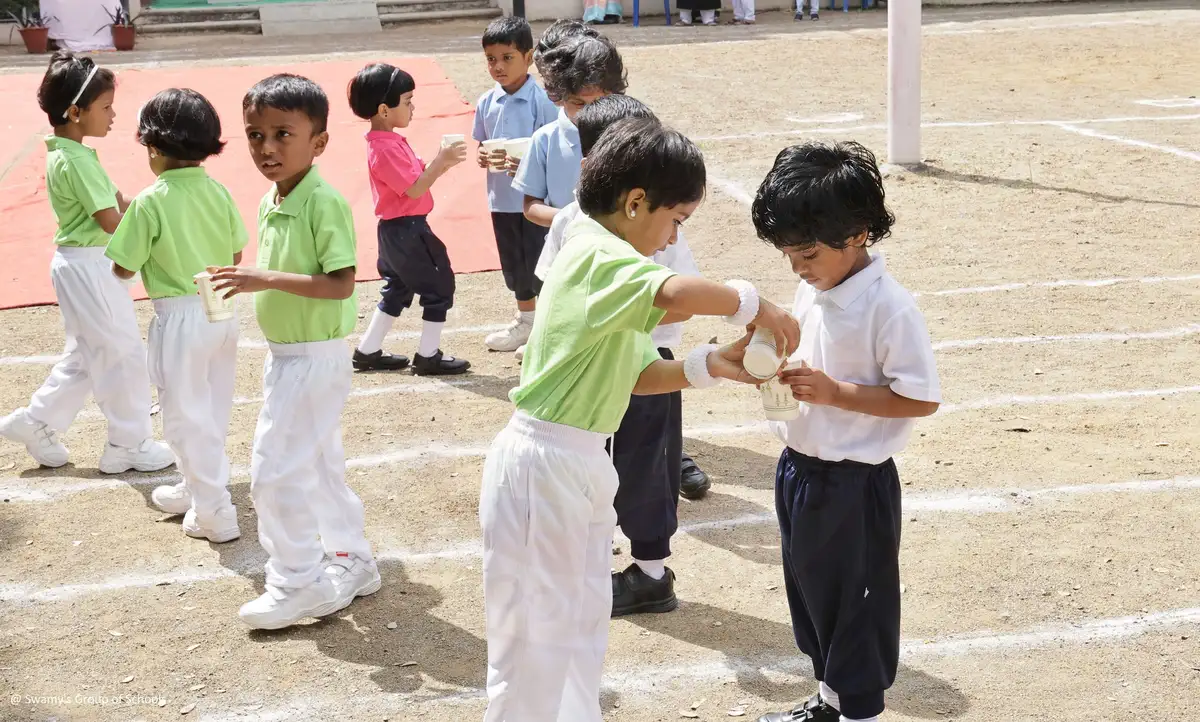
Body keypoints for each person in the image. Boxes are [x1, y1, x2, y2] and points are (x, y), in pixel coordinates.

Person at [479, 117, 800, 722]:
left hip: (577, 461)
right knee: (535, 637)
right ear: (634, 203)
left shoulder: (611, 266)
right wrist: (759, 306)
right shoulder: (597, 254)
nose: (672, 238)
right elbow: (676, 294)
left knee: (580, 617)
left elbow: (635, 375)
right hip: (542, 463)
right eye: (675, 221)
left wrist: (711, 364)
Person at [751, 141, 941, 722]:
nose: (797, 269)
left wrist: (834, 393)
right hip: (801, 470)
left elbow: (920, 398)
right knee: (813, 599)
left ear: (857, 233)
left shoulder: (889, 308)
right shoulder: (815, 286)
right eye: (788, 256)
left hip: (854, 484)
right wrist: (767, 367)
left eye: (806, 253)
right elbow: (797, 347)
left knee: (855, 607)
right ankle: (830, 700)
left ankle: (858, 709)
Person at [211, 74, 379, 629]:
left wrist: (265, 278)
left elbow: (340, 283)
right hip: (289, 356)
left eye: (283, 134)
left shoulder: (323, 203)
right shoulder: (271, 199)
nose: (267, 148)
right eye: (255, 135)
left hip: (314, 356)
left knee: (274, 471)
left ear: (319, 142)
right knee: (318, 462)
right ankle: (351, 556)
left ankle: (295, 579)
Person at [532, 95, 701, 616]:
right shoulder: (575, 224)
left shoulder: (659, 220)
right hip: (593, 378)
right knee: (597, 469)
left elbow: (680, 297)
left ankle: (651, 572)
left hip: (653, 362)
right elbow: (554, 294)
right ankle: (593, 554)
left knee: (649, 466)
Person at [0, 52, 174, 476]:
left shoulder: (71, 154)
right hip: (90, 265)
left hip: (79, 265)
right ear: (76, 112)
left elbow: (119, 203)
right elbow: (111, 220)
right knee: (122, 354)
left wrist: (164, 211)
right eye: (106, 107)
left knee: (88, 353)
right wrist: (157, 237)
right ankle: (129, 443)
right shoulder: (76, 160)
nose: (114, 116)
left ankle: (36, 421)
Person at [105, 88, 245, 543]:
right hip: (221, 305)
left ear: (154, 147)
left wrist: (135, 225)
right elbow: (237, 249)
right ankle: (196, 486)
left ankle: (214, 510)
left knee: (183, 415)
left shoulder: (150, 200)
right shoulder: (218, 190)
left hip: (180, 313)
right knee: (213, 406)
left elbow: (122, 267)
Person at [510, 32, 627, 361]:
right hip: (565, 256)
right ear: (559, 96)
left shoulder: (628, 135)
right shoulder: (546, 139)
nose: (589, 114)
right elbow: (530, 205)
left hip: (618, 252)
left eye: (598, 102)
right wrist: (572, 219)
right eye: (578, 103)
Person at [347, 63, 471, 375]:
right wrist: (441, 161)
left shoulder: (385, 143)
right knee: (438, 285)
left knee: (398, 287)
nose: (412, 107)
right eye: (407, 101)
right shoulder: (384, 149)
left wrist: (441, 164)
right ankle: (428, 354)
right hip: (408, 230)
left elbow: (414, 180)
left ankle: (368, 349)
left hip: (395, 230)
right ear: (384, 110)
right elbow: (415, 188)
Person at [473, 16, 560, 355]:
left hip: (533, 202)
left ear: (529, 57)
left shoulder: (541, 101)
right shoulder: (486, 101)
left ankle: (549, 329)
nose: (498, 66)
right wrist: (483, 156)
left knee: (542, 264)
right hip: (501, 200)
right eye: (491, 59)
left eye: (507, 57)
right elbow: (482, 142)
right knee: (514, 266)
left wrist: (524, 163)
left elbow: (550, 150)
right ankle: (526, 322)